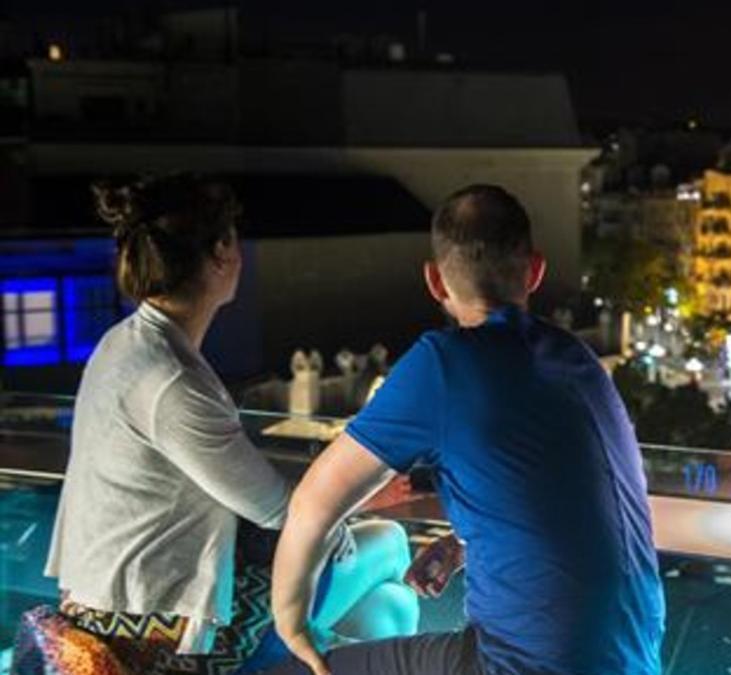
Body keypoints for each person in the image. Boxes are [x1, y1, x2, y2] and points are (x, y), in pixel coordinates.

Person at [269, 185, 666, 675]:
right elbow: (563, 495)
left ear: (435, 281)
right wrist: (462, 546)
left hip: (521, 666)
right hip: (635, 658)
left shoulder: (445, 363)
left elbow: (313, 503)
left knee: (289, 671)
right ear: (535, 271)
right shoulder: (576, 358)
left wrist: (290, 625)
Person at [45, 174, 420, 674]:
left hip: (102, 603)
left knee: (389, 610)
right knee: (390, 545)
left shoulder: (124, 344)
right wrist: (360, 495)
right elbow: (280, 511)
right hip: (165, 629)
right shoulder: (171, 379)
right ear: (222, 253)